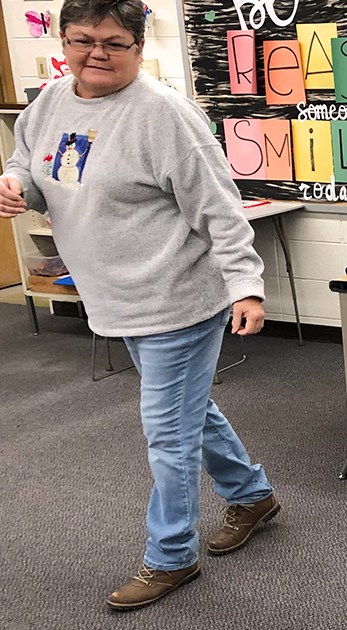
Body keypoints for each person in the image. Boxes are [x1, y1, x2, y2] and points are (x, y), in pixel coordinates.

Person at [0, 0, 280, 610]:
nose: (94, 53)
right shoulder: (51, 101)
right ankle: (253, 495)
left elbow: (219, 206)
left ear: (137, 44)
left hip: (174, 298)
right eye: (81, 40)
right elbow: (27, 157)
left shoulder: (163, 115)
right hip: (114, 296)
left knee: (167, 434)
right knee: (187, 411)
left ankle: (172, 556)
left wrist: (247, 285)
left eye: (112, 42)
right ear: (62, 40)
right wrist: (17, 182)